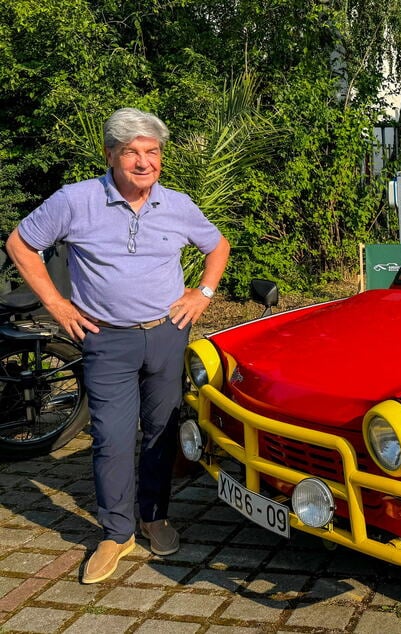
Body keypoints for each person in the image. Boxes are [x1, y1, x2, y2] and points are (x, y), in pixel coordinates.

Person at [5, 107, 230, 583]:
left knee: (162, 430)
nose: (143, 162)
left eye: (152, 152)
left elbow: (218, 245)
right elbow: (21, 245)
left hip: (167, 334)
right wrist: (60, 307)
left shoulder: (178, 204)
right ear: (111, 155)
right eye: (131, 152)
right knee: (110, 437)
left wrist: (202, 293)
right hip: (106, 340)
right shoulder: (75, 201)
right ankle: (116, 533)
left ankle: (154, 517)